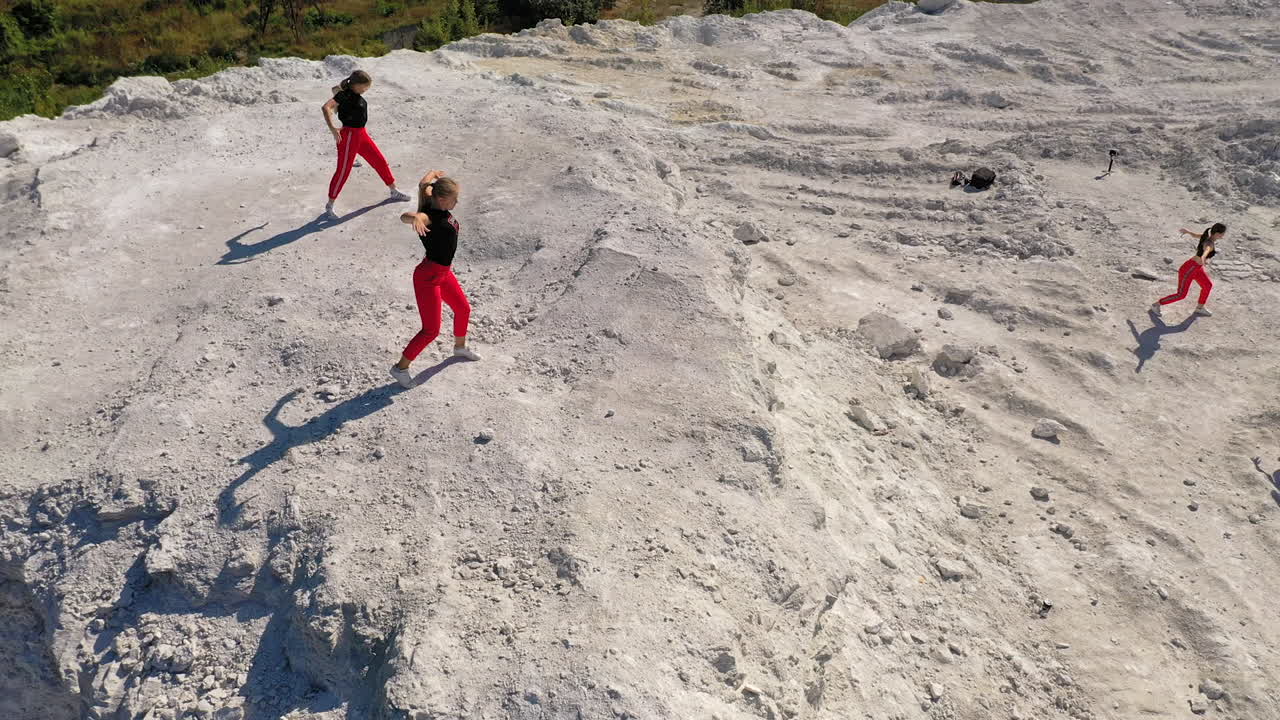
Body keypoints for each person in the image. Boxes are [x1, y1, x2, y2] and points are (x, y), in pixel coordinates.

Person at [389, 171, 481, 389]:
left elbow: (424, 184)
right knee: (431, 330)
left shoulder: (433, 199)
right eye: (454, 198)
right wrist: (414, 218)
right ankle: (400, 368)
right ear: (441, 199)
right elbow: (406, 217)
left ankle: (459, 347)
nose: (456, 201)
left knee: (463, 309)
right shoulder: (430, 215)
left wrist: (433, 174)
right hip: (428, 276)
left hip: (443, 272)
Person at [321, 70, 410, 220]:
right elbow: (326, 107)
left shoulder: (352, 94)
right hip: (349, 136)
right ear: (355, 85)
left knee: (379, 161)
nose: (366, 90)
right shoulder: (343, 95)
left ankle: (393, 190)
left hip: (361, 134)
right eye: (364, 87)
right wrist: (332, 128)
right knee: (343, 171)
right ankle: (330, 205)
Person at [1151, 223, 1225, 318]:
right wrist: (1203, 258)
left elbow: (1196, 235)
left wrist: (1188, 232)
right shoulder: (1209, 244)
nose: (1223, 235)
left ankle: (1199, 308)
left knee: (1207, 285)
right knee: (1181, 295)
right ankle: (1156, 304)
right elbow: (1206, 251)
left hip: (1197, 268)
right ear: (1217, 234)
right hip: (1189, 269)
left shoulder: (1206, 236)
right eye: (1223, 234)